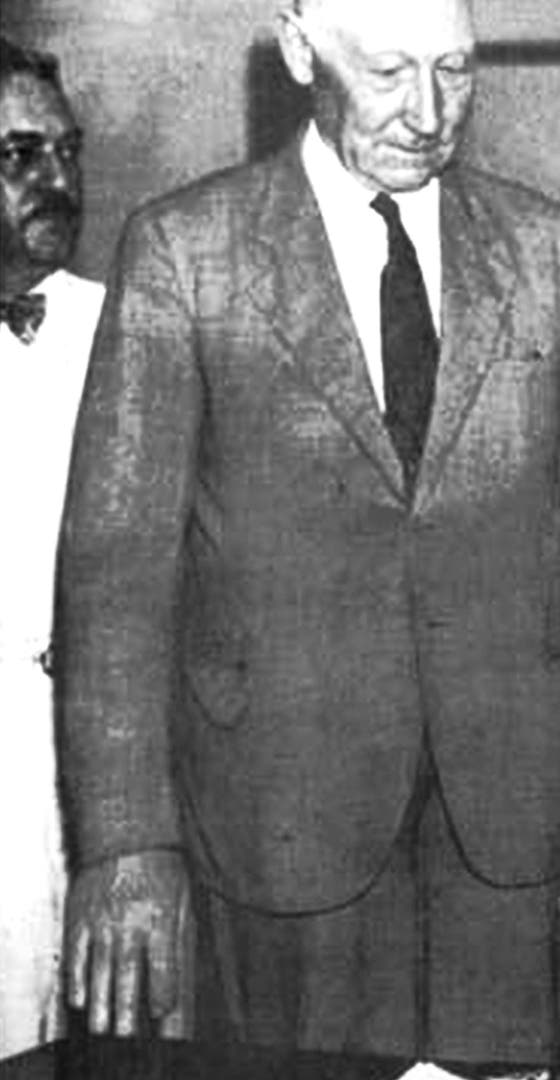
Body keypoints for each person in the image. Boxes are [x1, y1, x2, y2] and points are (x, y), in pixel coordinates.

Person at [54, 0, 560, 1062]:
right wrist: (125, 843)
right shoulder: (183, 251)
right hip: (277, 823)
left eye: (456, 72)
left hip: (507, 824)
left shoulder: (553, 254)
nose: (429, 113)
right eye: (387, 72)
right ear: (301, 49)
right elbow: (116, 582)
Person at [0, 36, 99, 1058]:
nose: (58, 179)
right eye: (19, 155)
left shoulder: (135, 332)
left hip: (96, 787)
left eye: (67, 150)